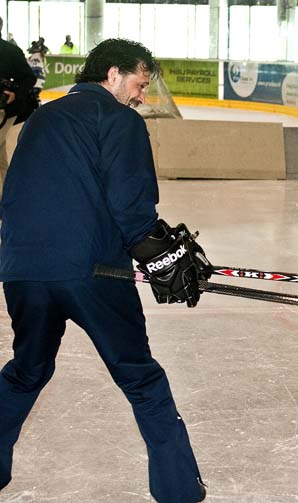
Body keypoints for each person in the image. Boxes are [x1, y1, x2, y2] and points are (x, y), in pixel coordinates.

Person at [0, 38, 210, 501]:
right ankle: (179, 491)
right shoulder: (119, 120)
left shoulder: (40, 119)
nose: (140, 95)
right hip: (94, 274)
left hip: (22, 272)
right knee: (141, 376)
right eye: (138, 83)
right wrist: (165, 258)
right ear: (113, 75)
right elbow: (131, 207)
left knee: (27, 370)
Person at [0, 16, 36, 193]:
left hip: (3, 110)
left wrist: (15, 94)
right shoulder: (11, 51)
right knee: (1, 159)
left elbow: (29, 78)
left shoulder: (10, 51)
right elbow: (29, 78)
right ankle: (6, 196)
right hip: (6, 110)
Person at [26, 37, 49, 106]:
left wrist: (39, 44)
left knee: (33, 96)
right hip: (38, 80)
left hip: (37, 80)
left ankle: (37, 108)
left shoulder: (37, 56)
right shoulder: (35, 57)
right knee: (33, 96)